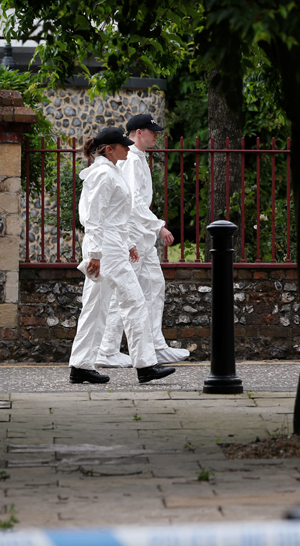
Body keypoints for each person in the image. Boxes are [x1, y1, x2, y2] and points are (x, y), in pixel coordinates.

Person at [69, 126, 177, 384]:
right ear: (109, 149)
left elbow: (115, 216)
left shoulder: (109, 171)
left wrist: (128, 242)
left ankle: (81, 365)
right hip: (107, 250)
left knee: (95, 307)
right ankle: (146, 364)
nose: (128, 148)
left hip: (111, 246)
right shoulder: (104, 175)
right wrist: (96, 253)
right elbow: (93, 218)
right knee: (134, 302)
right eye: (123, 145)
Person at [95, 114, 190, 368]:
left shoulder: (137, 159)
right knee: (125, 293)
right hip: (135, 234)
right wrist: (158, 226)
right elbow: (134, 202)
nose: (156, 135)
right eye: (152, 131)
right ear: (139, 132)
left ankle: (155, 346)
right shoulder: (131, 161)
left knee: (154, 287)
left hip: (141, 235)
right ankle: (107, 349)